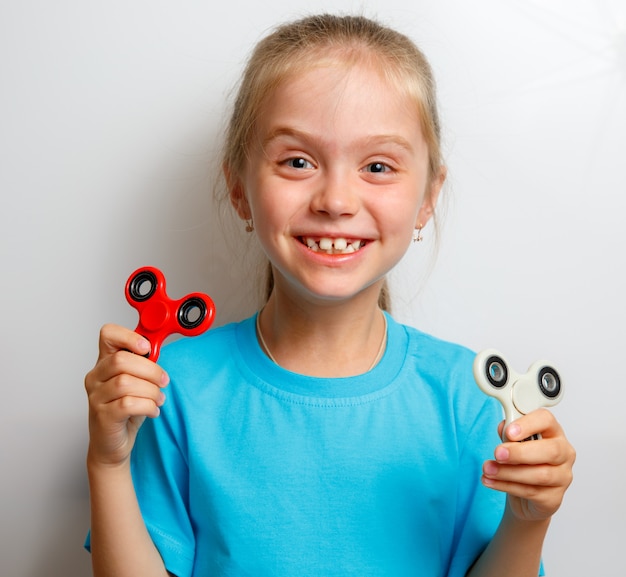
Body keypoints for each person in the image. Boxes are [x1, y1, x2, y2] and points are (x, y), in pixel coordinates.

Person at [84, 14, 575, 577]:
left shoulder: (469, 401)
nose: (336, 199)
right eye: (297, 161)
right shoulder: (170, 386)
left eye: (377, 166)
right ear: (239, 189)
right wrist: (107, 460)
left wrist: (529, 519)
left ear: (426, 198)